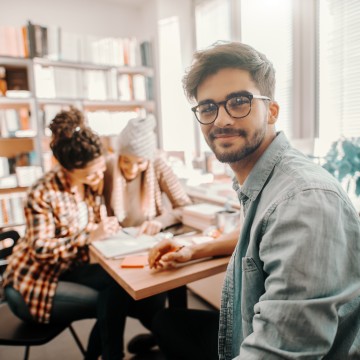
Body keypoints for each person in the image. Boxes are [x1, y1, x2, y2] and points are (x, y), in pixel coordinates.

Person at [151, 41, 360, 359]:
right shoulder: (267, 182)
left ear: (272, 110)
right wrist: (192, 250)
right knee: (167, 321)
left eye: (238, 102)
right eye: (208, 108)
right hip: (247, 329)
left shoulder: (303, 201)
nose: (220, 120)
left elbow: (280, 353)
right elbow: (258, 236)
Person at [2, 108, 166, 360]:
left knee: (122, 283)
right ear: (68, 170)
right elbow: (41, 251)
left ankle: (108, 356)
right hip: (33, 282)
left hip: (71, 269)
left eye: (101, 169)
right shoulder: (43, 192)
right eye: (92, 174)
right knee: (113, 299)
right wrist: (89, 237)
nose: (100, 177)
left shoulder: (90, 186)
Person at [103, 113, 192, 235]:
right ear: (119, 156)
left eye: (140, 162)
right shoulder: (108, 167)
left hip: (151, 236)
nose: (132, 169)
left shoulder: (158, 166)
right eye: (126, 161)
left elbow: (186, 207)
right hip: (119, 237)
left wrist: (160, 222)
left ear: (149, 159)